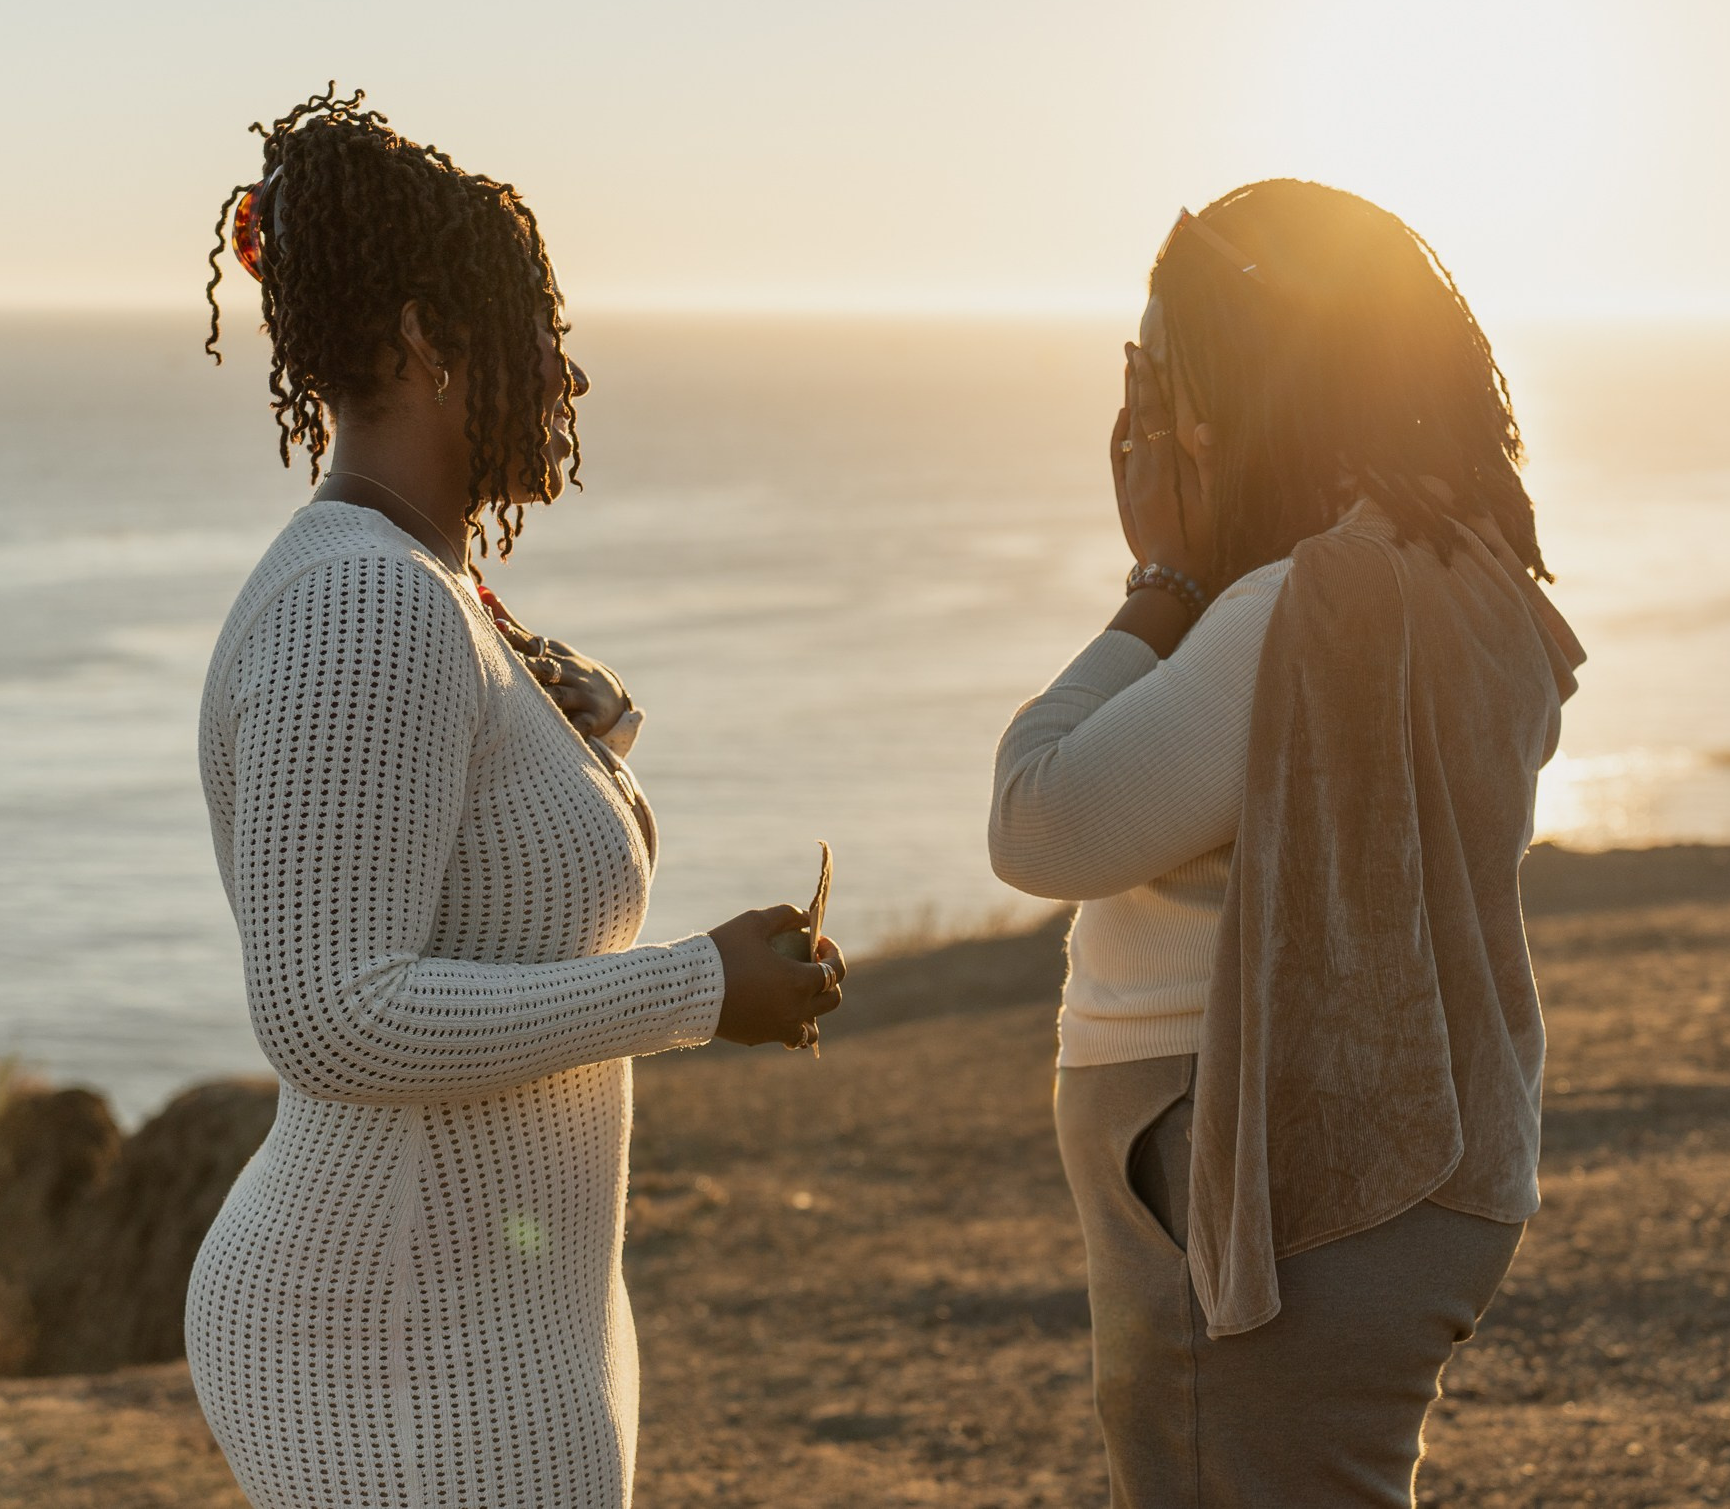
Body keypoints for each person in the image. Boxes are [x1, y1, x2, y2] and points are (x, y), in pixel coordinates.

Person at [184, 88, 843, 1509]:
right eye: (536, 334)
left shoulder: (423, 589)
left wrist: (584, 734)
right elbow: (330, 1008)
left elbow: (475, 873)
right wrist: (695, 991)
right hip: (399, 1337)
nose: (566, 376)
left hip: (478, 1306)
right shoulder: (368, 602)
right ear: (427, 340)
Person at [989, 180, 1584, 1506]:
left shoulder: (1292, 611)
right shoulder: (1475, 577)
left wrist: (1161, 581)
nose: (1144, 409)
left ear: (1250, 377)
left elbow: (1039, 818)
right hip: (1421, 1174)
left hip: (1265, 1182)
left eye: (1161, 364)